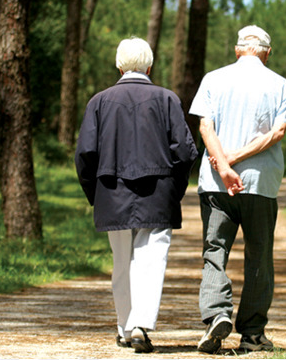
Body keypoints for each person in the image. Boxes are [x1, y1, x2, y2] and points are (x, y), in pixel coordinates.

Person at [74, 37, 198, 354]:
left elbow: (85, 155)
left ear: (118, 66)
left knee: (121, 263)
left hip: (111, 191)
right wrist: (175, 189)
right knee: (151, 258)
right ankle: (142, 324)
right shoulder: (167, 99)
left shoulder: (98, 102)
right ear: (150, 66)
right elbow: (185, 152)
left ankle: (125, 327)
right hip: (158, 192)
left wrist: (96, 194)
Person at [189, 25, 286, 354]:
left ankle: (217, 315)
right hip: (260, 184)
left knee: (215, 252)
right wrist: (237, 158)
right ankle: (252, 334)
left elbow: (204, 126)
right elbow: (278, 133)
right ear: (267, 54)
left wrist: (223, 163)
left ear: (237, 50)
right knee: (259, 257)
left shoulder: (213, 78)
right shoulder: (280, 84)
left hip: (216, 184)